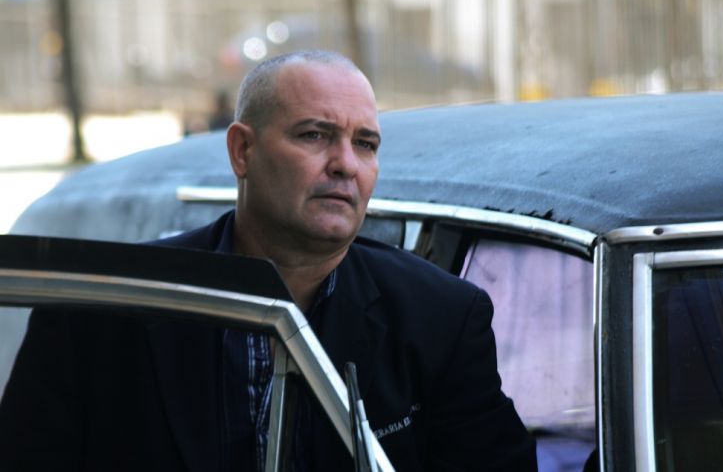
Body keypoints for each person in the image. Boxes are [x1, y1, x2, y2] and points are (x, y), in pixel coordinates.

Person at [0, 50, 536, 471]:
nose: (345, 165)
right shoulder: (106, 306)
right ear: (242, 151)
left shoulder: (440, 317)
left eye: (365, 144)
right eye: (315, 134)